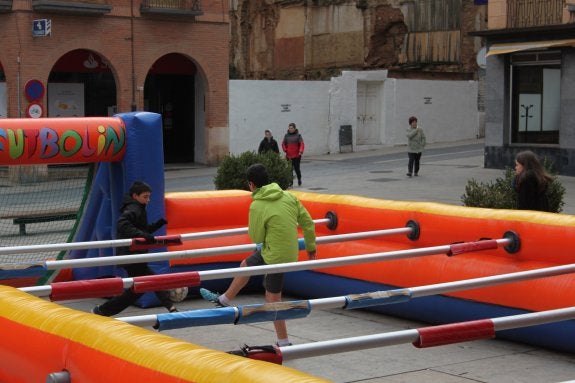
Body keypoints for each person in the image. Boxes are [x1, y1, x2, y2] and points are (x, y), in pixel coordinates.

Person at [200, 163, 316, 347]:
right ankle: (224, 299)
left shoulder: (257, 205)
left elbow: (256, 237)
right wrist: (311, 247)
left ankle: (284, 342)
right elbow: (308, 223)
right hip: (282, 250)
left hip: (276, 256)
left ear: (251, 185)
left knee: (272, 299)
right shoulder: (288, 196)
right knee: (247, 264)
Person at [92, 181, 178, 316]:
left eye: (149, 197)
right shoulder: (133, 208)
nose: (148, 200)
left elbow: (140, 231)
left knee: (137, 290)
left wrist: (157, 225)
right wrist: (143, 234)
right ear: (135, 196)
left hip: (133, 255)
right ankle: (171, 308)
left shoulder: (137, 207)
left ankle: (102, 310)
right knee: (152, 281)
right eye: (145, 196)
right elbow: (123, 225)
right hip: (131, 255)